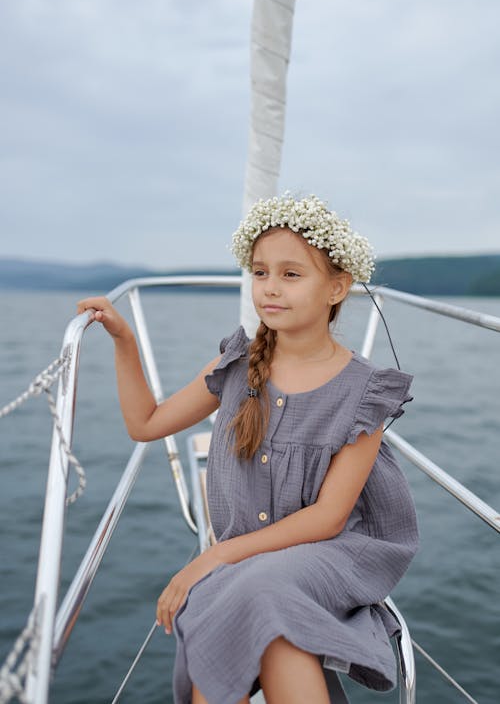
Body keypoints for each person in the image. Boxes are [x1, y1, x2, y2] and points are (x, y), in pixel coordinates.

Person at [77, 193, 419, 704]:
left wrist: (213, 557)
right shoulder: (238, 365)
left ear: (337, 287)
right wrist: (124, 340)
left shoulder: (365, 390)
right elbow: (147, 424)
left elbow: (328, 519)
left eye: (291, 274)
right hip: (255, 558)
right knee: (258, 607)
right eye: (260, 273)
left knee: (254, 591)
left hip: (332, 551)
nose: (270, 289)